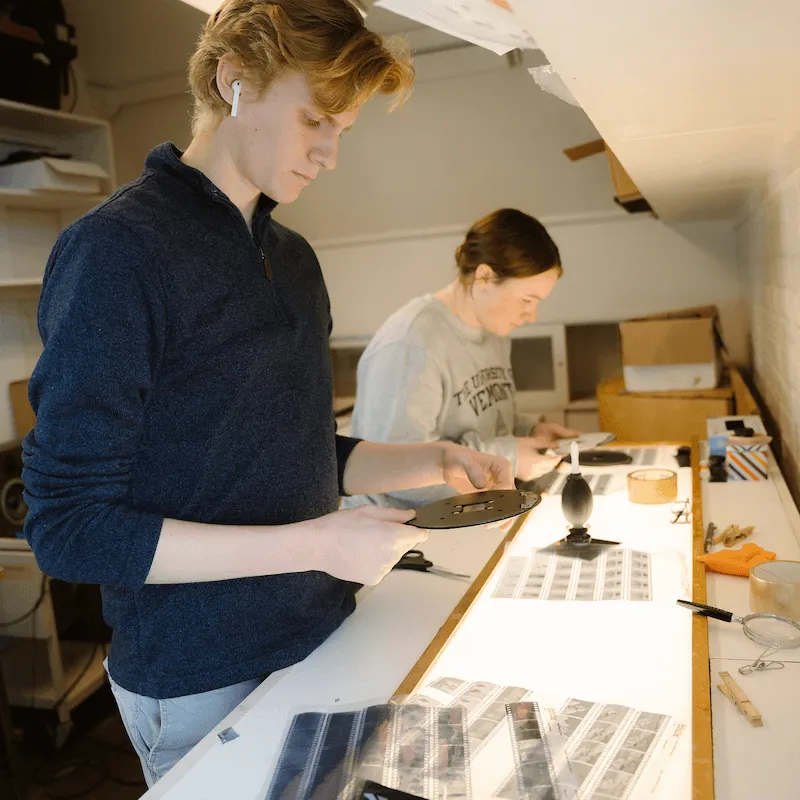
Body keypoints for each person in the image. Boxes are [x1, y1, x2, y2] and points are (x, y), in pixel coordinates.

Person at [21, 0, 514, 787]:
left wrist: (430, 458)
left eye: (344, 130)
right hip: (197, 673)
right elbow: (71, 529)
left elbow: (294, 450)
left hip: (323, 632)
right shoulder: (118, 251)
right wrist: (318, 543)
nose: (329, 154)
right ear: (236, 79)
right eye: (316, 119)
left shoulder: (294, 257)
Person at [344, 208, 577, 511]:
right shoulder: (410, 343)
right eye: (527, 301)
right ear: (485, 277)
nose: (531, 316)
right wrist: (511, 456)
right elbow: (400, 475)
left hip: (467, 509)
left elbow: (480, 418)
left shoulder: (493, 332)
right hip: (402, 532)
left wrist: (531, 431)